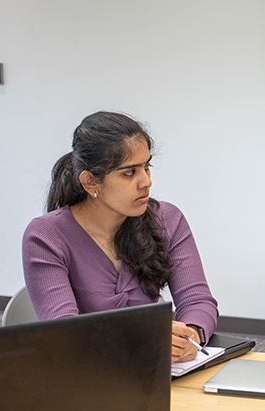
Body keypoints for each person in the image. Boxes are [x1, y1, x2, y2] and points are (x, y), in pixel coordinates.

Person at [22, 111, 218, 363]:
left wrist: (191, 336)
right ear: (91, 182)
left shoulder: (167, 219)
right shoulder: (45, 236)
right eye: (129, 173)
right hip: (86, 376)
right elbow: (64, 333)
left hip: (155, 374)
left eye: (147, 167)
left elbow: (198, 300)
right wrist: (146, 337)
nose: (146, 182)